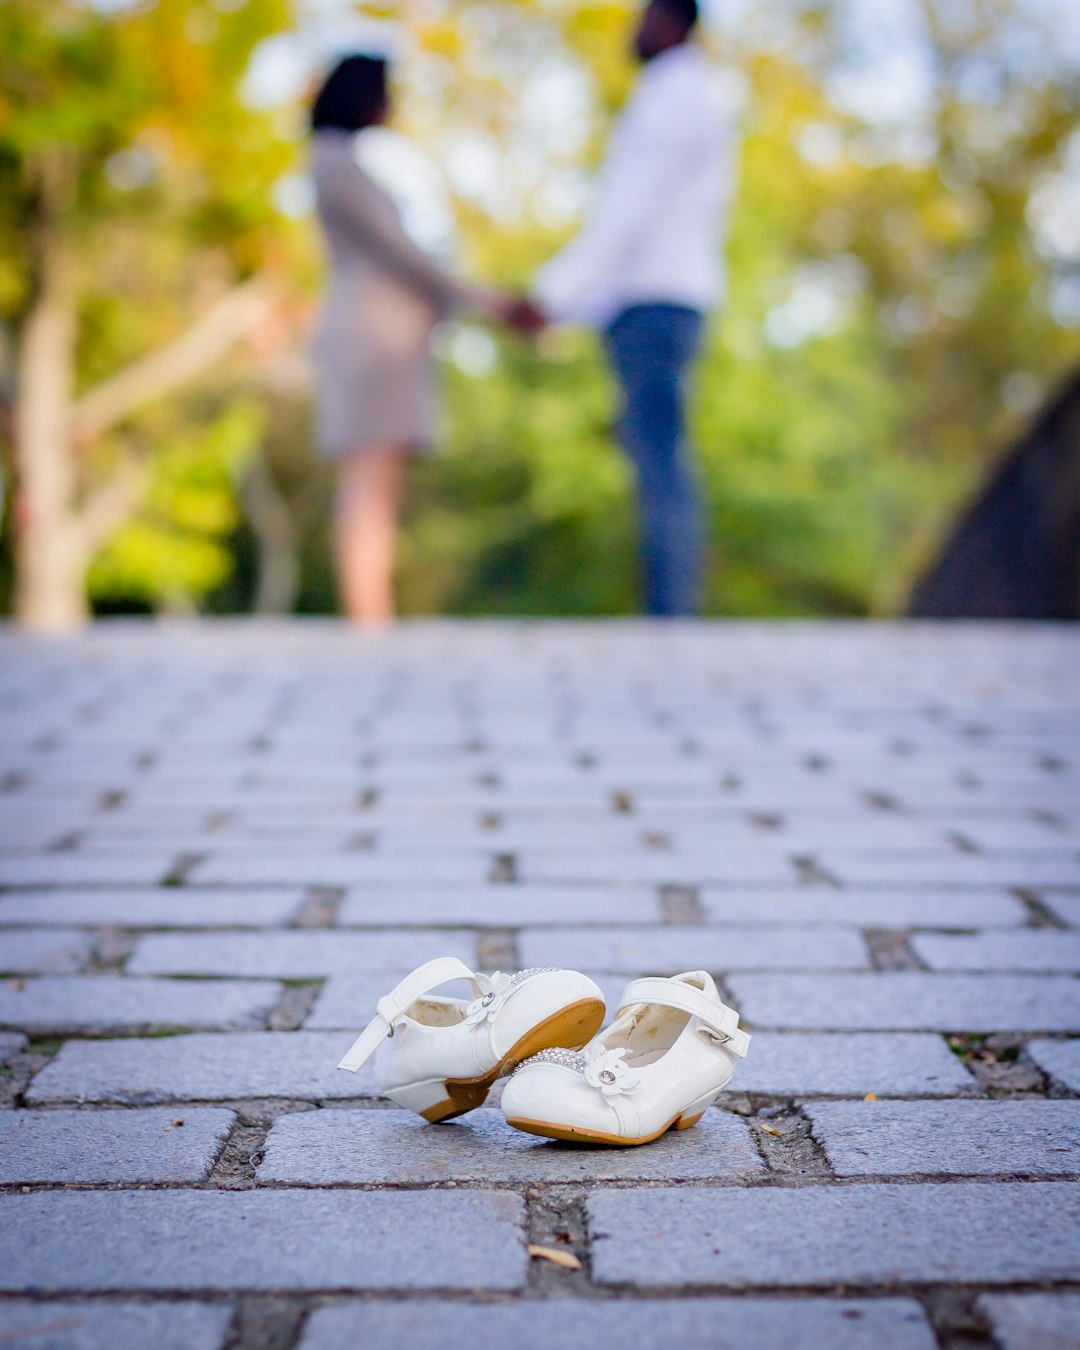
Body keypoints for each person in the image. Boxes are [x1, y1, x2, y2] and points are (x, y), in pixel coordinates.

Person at [532, 0, 738, 617]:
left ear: (673, 22)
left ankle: (672, 613)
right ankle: (670, 609)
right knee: (656, 455)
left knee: (660, 457)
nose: (633, 29)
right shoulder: (689, 96)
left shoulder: (672, 101)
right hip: (660, 298)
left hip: (656, 301)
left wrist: (550, 298)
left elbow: (624, 218)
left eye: (643, 16)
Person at [309, 54, 520, 625]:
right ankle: (369, 619)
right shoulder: (334, 162)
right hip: (371, 340)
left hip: (388, 340)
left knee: (381, 480)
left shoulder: (345, 162)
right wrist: (487, 299)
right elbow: (403, 255)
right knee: (369, 477)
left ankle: (374, 614)